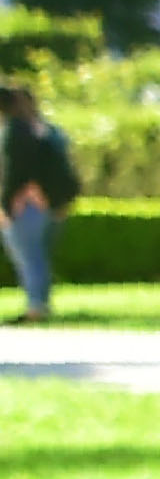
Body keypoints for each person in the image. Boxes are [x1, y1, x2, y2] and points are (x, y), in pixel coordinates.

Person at [2, 83, 73, 324]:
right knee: (35, 256)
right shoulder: (44, 130)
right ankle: (38, 304)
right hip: (45, 203)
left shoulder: (18, 132)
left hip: (27, 205)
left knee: (29, 256)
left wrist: (11, 203)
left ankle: (36, 307)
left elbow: (19, 171)